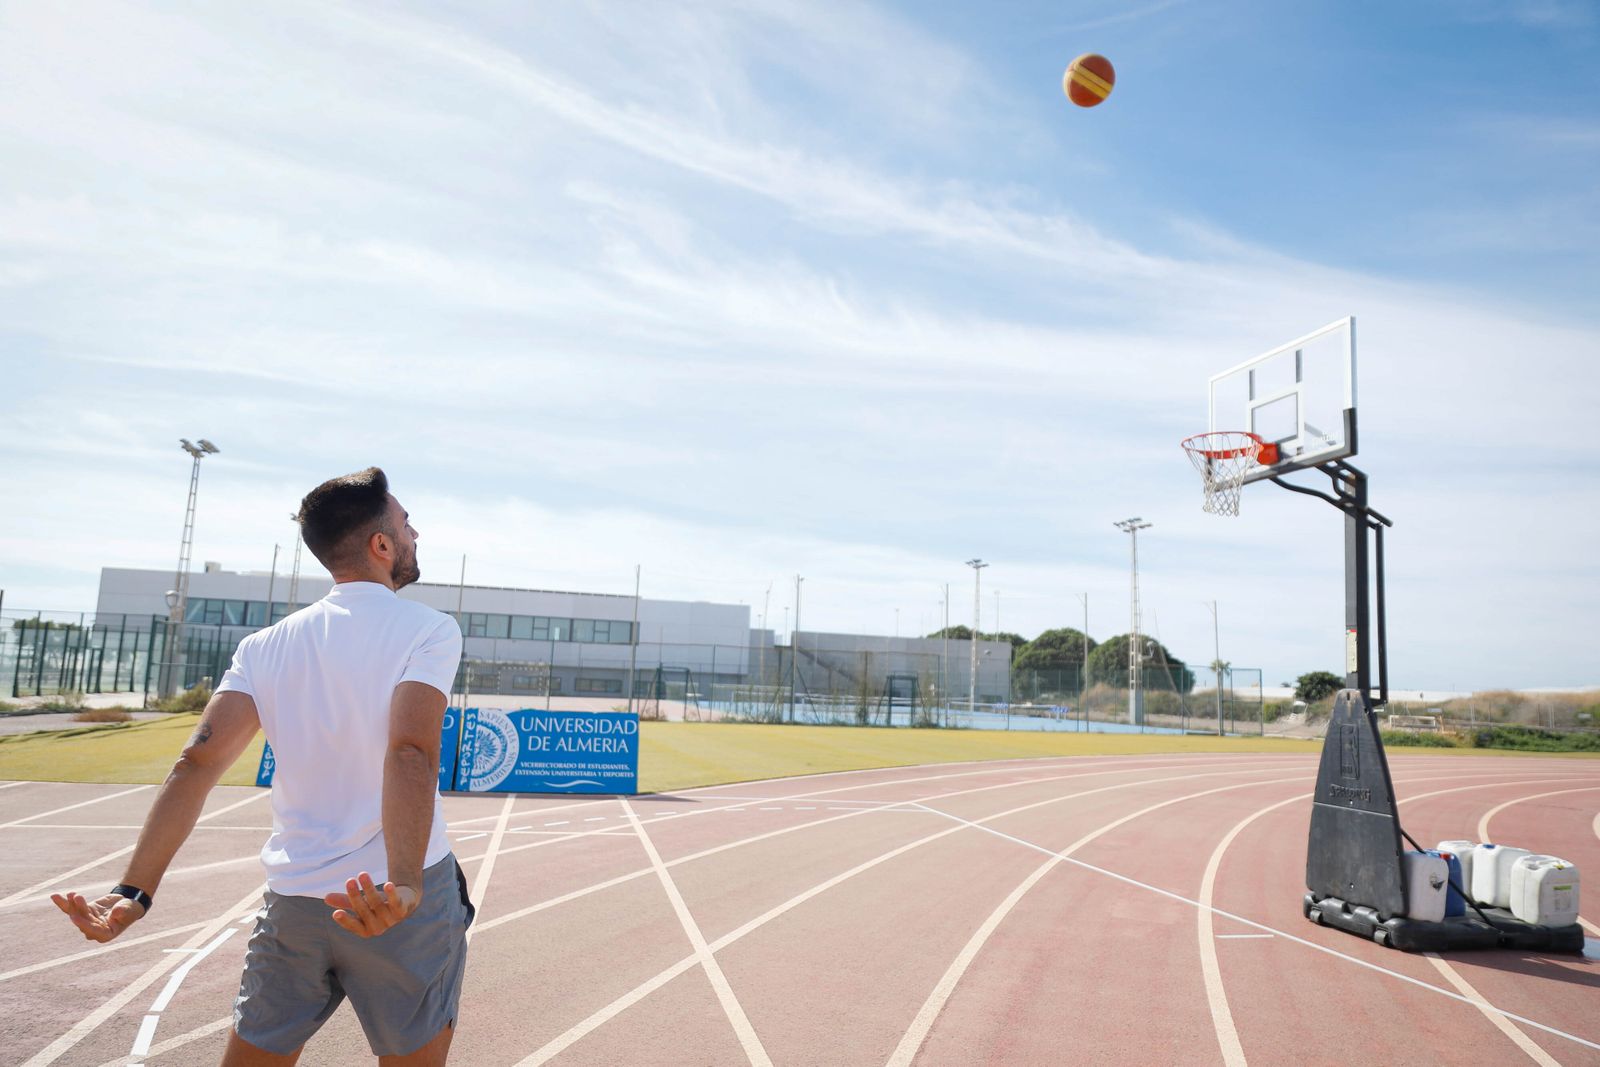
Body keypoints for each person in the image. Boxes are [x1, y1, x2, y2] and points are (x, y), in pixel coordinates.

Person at [52, 467, 470, 1066]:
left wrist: (133, 891)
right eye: (405, 525)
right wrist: (404, 882)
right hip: (395, 900)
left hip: (294, 898)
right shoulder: (429, 629)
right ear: (381, 545)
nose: (415, 534)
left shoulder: (264, 645)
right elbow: (409, 751)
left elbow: (195, 764)